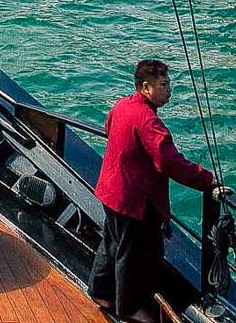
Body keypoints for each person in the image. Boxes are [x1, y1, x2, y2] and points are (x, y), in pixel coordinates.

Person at [89, 59, 221, 322]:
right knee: (132, 255)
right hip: (132, 200)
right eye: (163, 85)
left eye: (168, 83)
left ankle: (100, 291)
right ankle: (128, 308)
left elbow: (109, 128)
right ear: (146, 87)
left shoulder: (122, 106)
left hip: (110, 190)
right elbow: (169, 162)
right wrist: (207, 180)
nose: (169, 89)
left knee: (112, 244)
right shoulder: (148, 121)